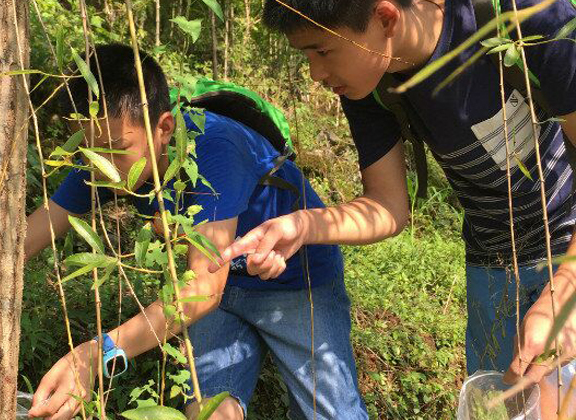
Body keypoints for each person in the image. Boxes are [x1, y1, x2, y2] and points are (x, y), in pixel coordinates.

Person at [0, 43, 368, 420]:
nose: (102, 166)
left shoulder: (215, 148)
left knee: (331, 411)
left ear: (163, 128)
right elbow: (23, 242)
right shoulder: (104, 160)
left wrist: (97, 355)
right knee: (211, 407)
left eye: (116, 150)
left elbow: (202, 288)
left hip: (295, 283)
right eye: (90, 150)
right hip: (217, 289)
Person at [212, 0, 576, 418]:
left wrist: (565, 287)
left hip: (568, 243)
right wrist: (304, 224)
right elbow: (387, 206)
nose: (315, 73)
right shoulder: (373, 81)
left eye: (323, 51)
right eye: (306, 55)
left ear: (385, 17)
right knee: (501, 407)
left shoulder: (528, 18)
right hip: (491, 262)